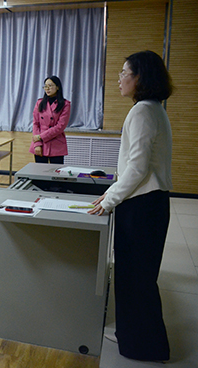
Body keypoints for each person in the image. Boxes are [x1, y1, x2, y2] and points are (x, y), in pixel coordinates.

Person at [89, 50, 173, 362]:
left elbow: (137, 169)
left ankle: (145, 347)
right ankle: (129, 334)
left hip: (141, 206)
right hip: (148, 204)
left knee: (136, 278)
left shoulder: (142, 112)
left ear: (141, 77)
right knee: (133, 276)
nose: (119, 79)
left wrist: (109, 199)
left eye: (125, 72)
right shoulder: (152, 109)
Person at [29, 76, 71, 164]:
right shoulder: (40, 103)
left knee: (55, 174)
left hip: (56, 144)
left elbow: (60, 126)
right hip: (40, 145)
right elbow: (35, 124)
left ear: (57, 87)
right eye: (45, 86)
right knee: (40, 173)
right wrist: (37, 144)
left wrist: (40, 137)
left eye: (50, 86)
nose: (47, 89)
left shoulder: (65, 104)